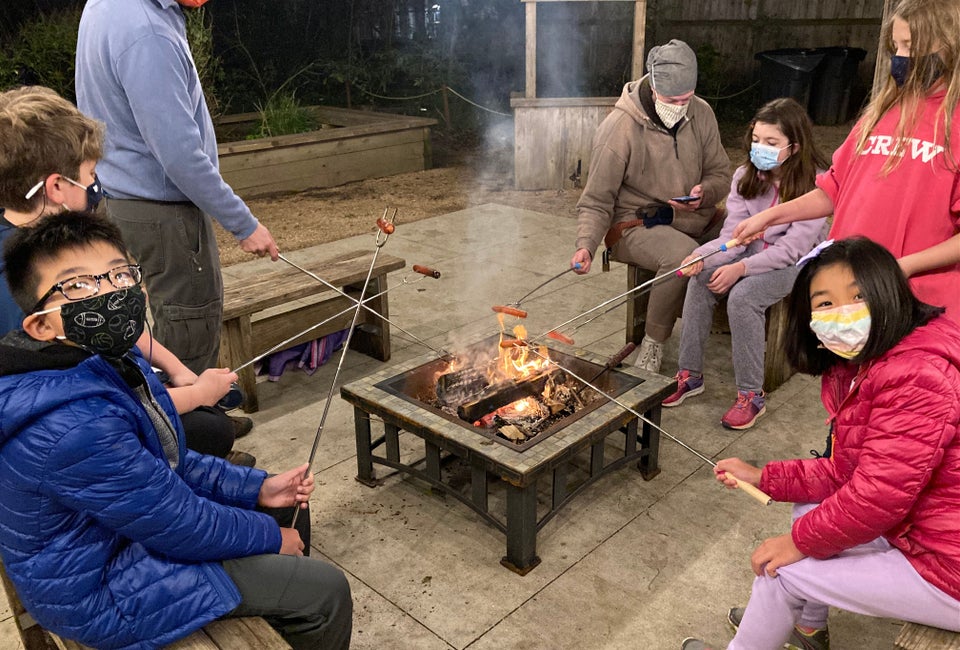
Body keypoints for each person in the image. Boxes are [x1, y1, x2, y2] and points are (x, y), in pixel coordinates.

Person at [0, 212, 352, 650]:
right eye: (79, 285)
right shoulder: (73, 423)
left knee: (285, 505)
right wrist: (271, 538)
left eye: (118, 275)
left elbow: (167, 463)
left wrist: (258, 488)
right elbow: (177, 521)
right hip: (95, 587)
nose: (110, 293)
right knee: (324, 593)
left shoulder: (107, 363)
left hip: (118, 536)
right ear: (41, 325)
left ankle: (278, 615)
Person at [681, 238, 960, 650]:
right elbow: (844, 472)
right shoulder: (870, 363)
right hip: (924, 529)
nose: (843, 313)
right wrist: (762, 477)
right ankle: (807, 627)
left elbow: (877, 498)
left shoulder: (915, 375)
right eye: (826, 303)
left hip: (946, 564)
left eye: (858, 296)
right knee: (809, 511)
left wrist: (796, 544)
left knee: (782, 571)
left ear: (890, 290)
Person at [0, 85, 254, 465]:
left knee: (205, 413)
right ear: (56, 187)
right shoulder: (28, 281)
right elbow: (95, 406)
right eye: (90, 174)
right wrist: (197, 394)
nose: (95, 185)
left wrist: (178, 370)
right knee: (211, 428)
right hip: (75, 427)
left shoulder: (54, 238)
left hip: (100, 388)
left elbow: (114, 327)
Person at [75, 0, 280, 375]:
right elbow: (180, 155)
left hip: (121, 197)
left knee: (158, 324)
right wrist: (244, 224)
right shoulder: (148, 32)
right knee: (190, 331)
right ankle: (189, 409)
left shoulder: (107, 6)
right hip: (162, 212)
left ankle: (175, 401)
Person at [733, 0, 960, 324]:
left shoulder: (953, 125)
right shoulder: (879, 115)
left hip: (913, 300)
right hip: (848, 289)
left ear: (948, 46)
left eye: (909, 46)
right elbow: (834, 190)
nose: (899, 57)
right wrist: (769, 217)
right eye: (895, 46)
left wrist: (903, 267)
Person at [663, 98, 829, 430]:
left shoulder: (816, 185)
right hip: (750, 254)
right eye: (756, 140)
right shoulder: (745, 176)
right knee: (701, 278)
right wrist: (701, 256)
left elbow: (791, 251)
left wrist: (741, 269)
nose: (760, 148)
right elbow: (732, 238)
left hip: (798, 266)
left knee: (744, 296)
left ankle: (752, 395)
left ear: (794, 147)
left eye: (771, 142)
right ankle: (689, 374)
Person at [571, 38, 732, 373]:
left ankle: (725, 315)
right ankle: (653, 342)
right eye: (672, 100)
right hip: (635, 224)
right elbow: (597, 199)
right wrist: (586, 245)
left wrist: (706, 192)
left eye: (686, 98)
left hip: (693, 217)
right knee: (683, 255)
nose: (680, 106)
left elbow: (721, 174)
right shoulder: (619, 128)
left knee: (746, 232)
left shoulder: (701, 112)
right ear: (654, 88)